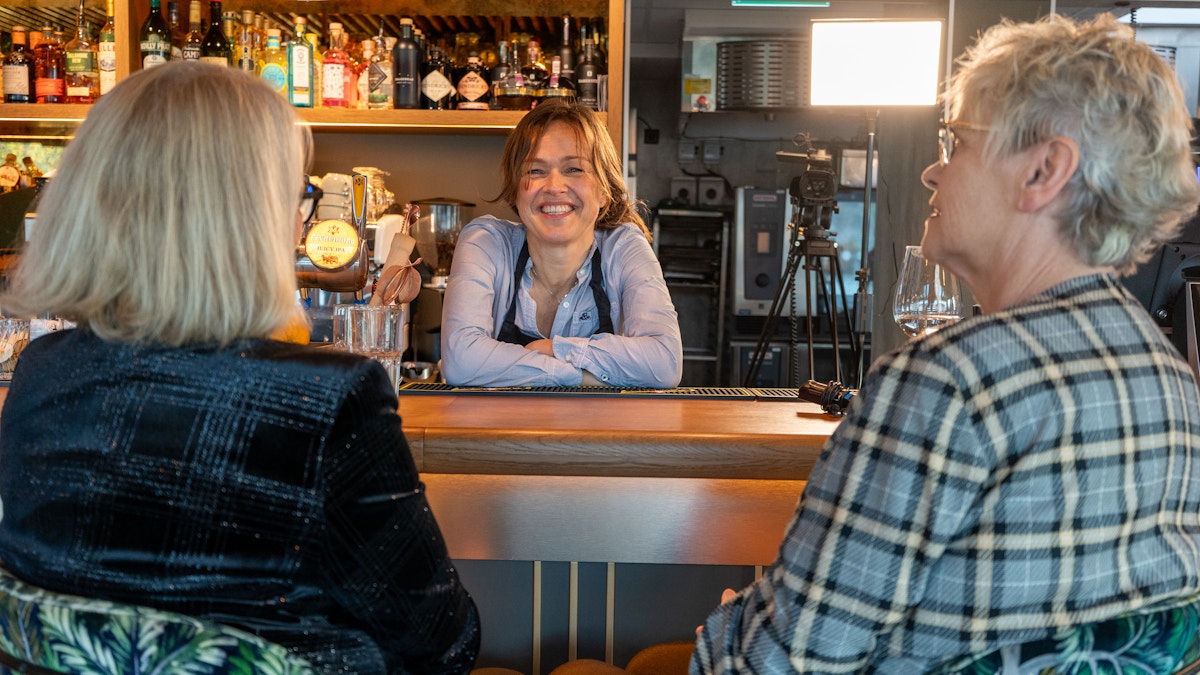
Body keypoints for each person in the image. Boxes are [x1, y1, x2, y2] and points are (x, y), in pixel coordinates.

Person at [693, 14, 1200, 674]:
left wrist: (731, 618)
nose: (933, 172)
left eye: (957, 141)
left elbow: (772, 666)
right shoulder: (1172, 379)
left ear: (1044, 168)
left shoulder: (946, 381)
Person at [0, 62, 479, 674]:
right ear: (250, 220)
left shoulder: (41, 377)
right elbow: (442, 644)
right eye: (296, 195)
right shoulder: (330, 401)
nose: (300, 219)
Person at [440, 98, 683, 388]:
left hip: (601, 433)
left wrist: (555, 349)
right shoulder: (486, 242)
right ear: (515, 191)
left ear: (604, 192)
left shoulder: (624, 247)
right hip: (500, 433)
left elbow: (665, 363)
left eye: (574, 169)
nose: (554, 186)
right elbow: (461, 362)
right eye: (535, 171)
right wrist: (577, 376)